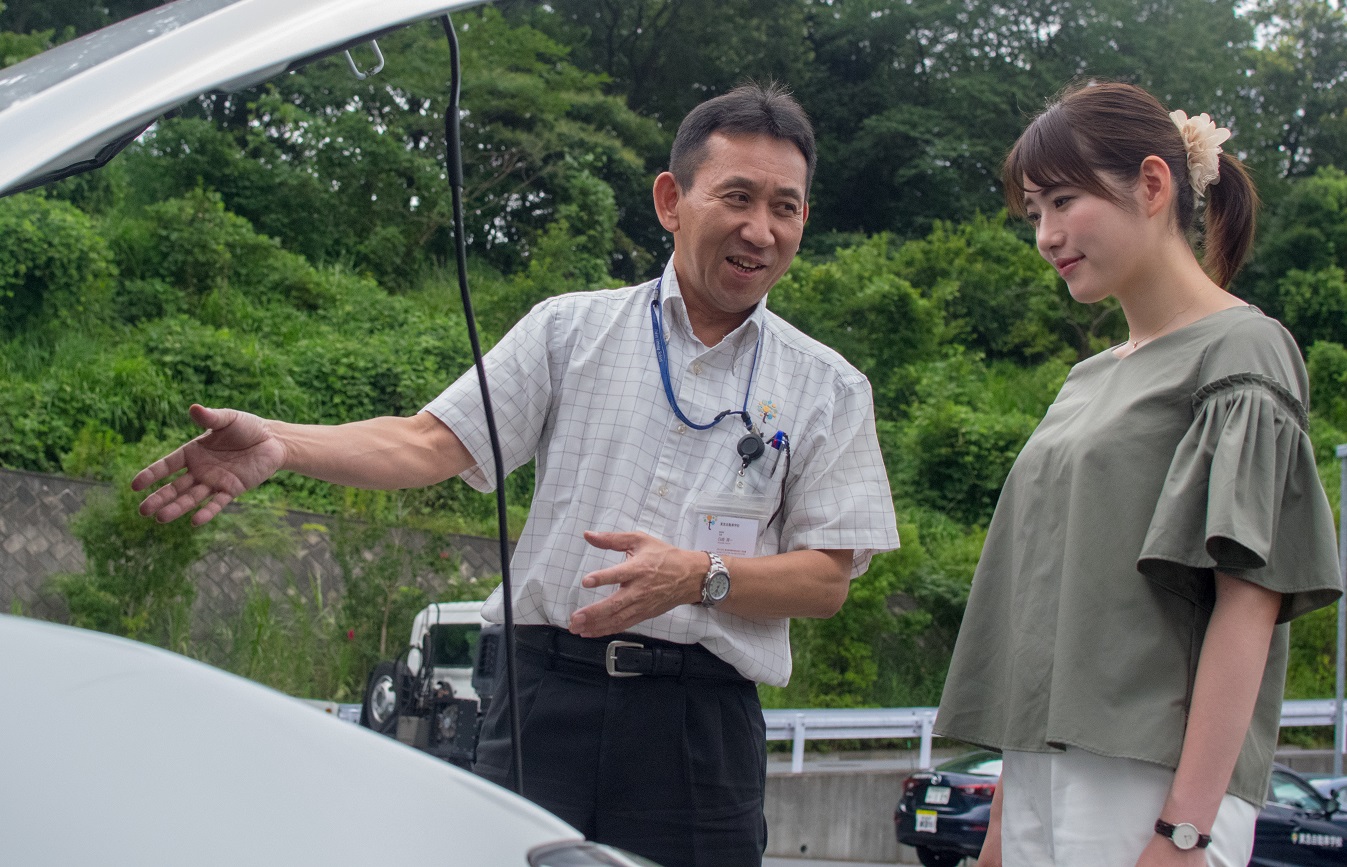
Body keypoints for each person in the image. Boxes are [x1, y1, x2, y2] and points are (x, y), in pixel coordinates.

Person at [133, 82, 900, 867]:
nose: (760, 229)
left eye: (786, 207)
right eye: (737, 196)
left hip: (697, 728)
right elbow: (428, 443)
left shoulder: (827, 387)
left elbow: (826, 579)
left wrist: (697, 575)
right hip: (542, 703)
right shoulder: (571, 330)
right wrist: (282, 444)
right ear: (671, 199)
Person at [934, 80, 1343, 867]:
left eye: (1061, 200)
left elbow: (1246, 605)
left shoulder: (1242, 350)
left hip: (1148, 783)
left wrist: (1182, 831)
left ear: (1152, 185)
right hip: (1040, 775)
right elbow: (1046, 609)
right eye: (1032, 213)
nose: (1046, 235)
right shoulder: (1086, 378)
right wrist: (998, 825)